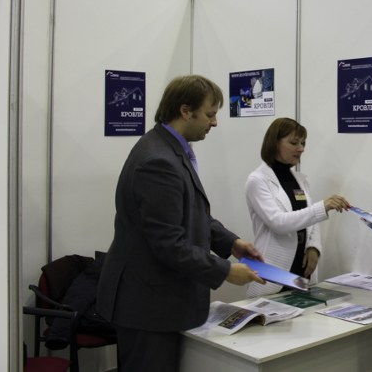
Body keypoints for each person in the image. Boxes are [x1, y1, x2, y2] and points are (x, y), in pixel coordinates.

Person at [97, 75, 266, 372]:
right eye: (210, 114)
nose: (214, 123)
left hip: (161, 300)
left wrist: (231, 243)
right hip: (148, 305)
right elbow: (168, 244)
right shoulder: (158, 161)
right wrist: (225, 270)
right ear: (186, 111)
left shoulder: (172, 149)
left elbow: (192, 214)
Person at [244, 117, 350, 297]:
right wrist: (322, 207)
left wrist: (314, 247)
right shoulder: (257, 180)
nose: (300, 148)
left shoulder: (300, 179)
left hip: (300, 271)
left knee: (300, 312)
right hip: (272, 272)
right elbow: (278, 222)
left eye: (303, 143)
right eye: (294, 143)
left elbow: (310, 220)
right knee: (271, 313)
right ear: (274, 143)